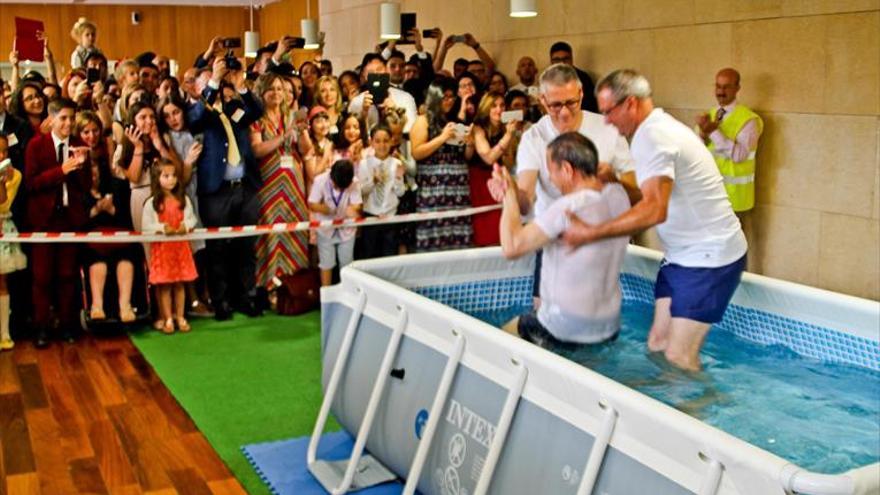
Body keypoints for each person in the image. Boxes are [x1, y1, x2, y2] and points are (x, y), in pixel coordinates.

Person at [563, 69, 748, 371]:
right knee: (657, 344)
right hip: (680, 257)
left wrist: (592, 233)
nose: (607, 120)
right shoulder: (651, 131)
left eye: (609, 111)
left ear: (631, 104)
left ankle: (710, 413)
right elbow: (647, 195)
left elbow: (654, 210)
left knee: (679, 357)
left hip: (709, 257)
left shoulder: (654, 136)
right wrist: (615, 181)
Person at [498, 133, 630, 347]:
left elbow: (512, 247)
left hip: (565, 326)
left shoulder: (568, 207)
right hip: (608, 326)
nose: (550, 179)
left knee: (504, 335)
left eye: (552, 172)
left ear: (567, 169)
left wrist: (508, 195)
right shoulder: (619, 197)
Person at [186, 57, 263, 321]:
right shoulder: (201, 113)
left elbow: (256, 111)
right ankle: (221, 300)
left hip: (245, 188)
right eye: (208, 83)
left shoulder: (235, 109)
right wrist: (214, 80)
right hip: (216, 191)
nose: (217, 86)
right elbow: (194, 119)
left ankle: (247, 297)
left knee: (246, 246)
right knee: (217, 249)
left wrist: (240, 85)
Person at [25, 98, 92, 348]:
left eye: (72, 118)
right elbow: (31, 183)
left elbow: (85, 187)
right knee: (41, 278)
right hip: (43, 221)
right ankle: (41, 327)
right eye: (63, 118)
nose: (68, 123)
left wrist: (82, 167)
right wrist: (61, 170)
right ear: (51, 119)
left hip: (70, 219)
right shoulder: (36, 146)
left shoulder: (79, 145)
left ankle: (67, 325)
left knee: (67, 275)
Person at [250, 73, 311, 294]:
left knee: (296, 230)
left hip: (293, 183)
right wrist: (283, 137)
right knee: (271, 233)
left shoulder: (292, 116)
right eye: (272, 89)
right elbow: (256, 150)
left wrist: (302, 132)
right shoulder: (257, 120)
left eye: (280, 89)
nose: (277, 93)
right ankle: (270, 286)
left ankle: (296, 285)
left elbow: (305, 150)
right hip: (269, 183)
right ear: (262, 93)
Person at [696, 68, 763, 268]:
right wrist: (701, 135)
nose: (720, 91)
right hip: (709, 194)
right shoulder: (708, 116)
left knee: (731, 251)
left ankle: (736, 294)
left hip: (734, 198)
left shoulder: (749, 120)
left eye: (726, 86)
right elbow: (695, 153)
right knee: (708, 248)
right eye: (717, 85)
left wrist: (714, 132)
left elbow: (739, 155)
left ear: (737, 88)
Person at [77, 111, 138, 323]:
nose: (92, 136)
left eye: (95, 131)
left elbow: (123, 215)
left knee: (126, 259)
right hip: (90, 237)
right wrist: (94, 211)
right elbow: (78, 216)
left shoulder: (112, 178)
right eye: (86, 132)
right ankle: (96, 306)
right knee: (98, 263)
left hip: (116, 232)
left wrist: (110, 209)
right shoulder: (75, 179)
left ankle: (125, 306)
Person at [411, 79, 474, 252]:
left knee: (458, 240)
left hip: (458, 190)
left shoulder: (455, 120)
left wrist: (469, 143)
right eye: (444, 97)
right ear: (435, 97)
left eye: (452, 97)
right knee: (433, 241)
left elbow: (466, 157)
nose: (449, 100)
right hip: (434, 190)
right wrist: (442, 138)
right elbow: (416, 152)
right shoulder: (423, 121)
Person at [142, 160, 198, 334]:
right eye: (166, 176)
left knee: (180, 284)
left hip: (180, 249)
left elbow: (192, 218)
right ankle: (167, 318)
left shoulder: (183, 200)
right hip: (162, 251)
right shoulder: (152, 203)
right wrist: (162, 228)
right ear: (157, 178)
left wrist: (185, 226)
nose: (171, 179)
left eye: (174, 175)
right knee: (164, 286)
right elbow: (146, 226)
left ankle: (180, 316)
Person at [471, 93, 519, 246]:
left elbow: (509, 163)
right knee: (485, 225)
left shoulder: (506, 129)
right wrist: (508, 137)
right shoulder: (478, 128)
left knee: (501, 224)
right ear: (486, 108)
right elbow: (489, 158)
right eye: (494, 105)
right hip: (479, 180)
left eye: (502, 106)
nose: (498, 109)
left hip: (499, 178)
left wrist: (510, 136)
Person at [308, 159, 362, 287]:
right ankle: (326, 299)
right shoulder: (320, 180)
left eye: (342, 187)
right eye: (336, 185)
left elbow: (357, 204)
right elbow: (312, 203)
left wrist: (353, 210)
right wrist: (324, 209)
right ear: (331, 174)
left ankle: (348, 295)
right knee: (326, 263)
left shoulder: (355, 182)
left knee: (347, 264)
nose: (337, 188)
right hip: (326, 229)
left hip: (346, 230)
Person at [357, 125, 405, 259]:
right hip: (371, 216)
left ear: (391, 141)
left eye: (385, 141)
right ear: (371, 142)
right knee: (369, 255)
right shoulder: (364, 164)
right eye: (377, 141)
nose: (382, 145)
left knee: (389, 256)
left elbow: (400, 193)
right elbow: (360, 193)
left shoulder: (396, 163)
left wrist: (398, 178)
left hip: (390, 217)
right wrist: (373, 181)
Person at [0, 133, 27, 350]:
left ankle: (4, 333)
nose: (1, 155)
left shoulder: (15, 175)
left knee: (2, 283)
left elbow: (3, 203)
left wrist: (2, 181)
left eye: (4, 151)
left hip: (3, 229)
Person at [348, 53, 418, 134]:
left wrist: (395, 111)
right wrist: (364, 113)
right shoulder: (356, 102)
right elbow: (352, 134)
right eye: (370, 72)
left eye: (379, 69)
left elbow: (411, 129)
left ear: (387, 71)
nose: (376, 74)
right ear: (364, 75)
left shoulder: (405, 98)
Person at [549, 41, 598, 113]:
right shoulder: (547, 79)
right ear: (551, 62)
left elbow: (591, 107)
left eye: (566, 59)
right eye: (557, 60)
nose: (562, 63)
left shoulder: (583, 78)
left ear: (571, 59)